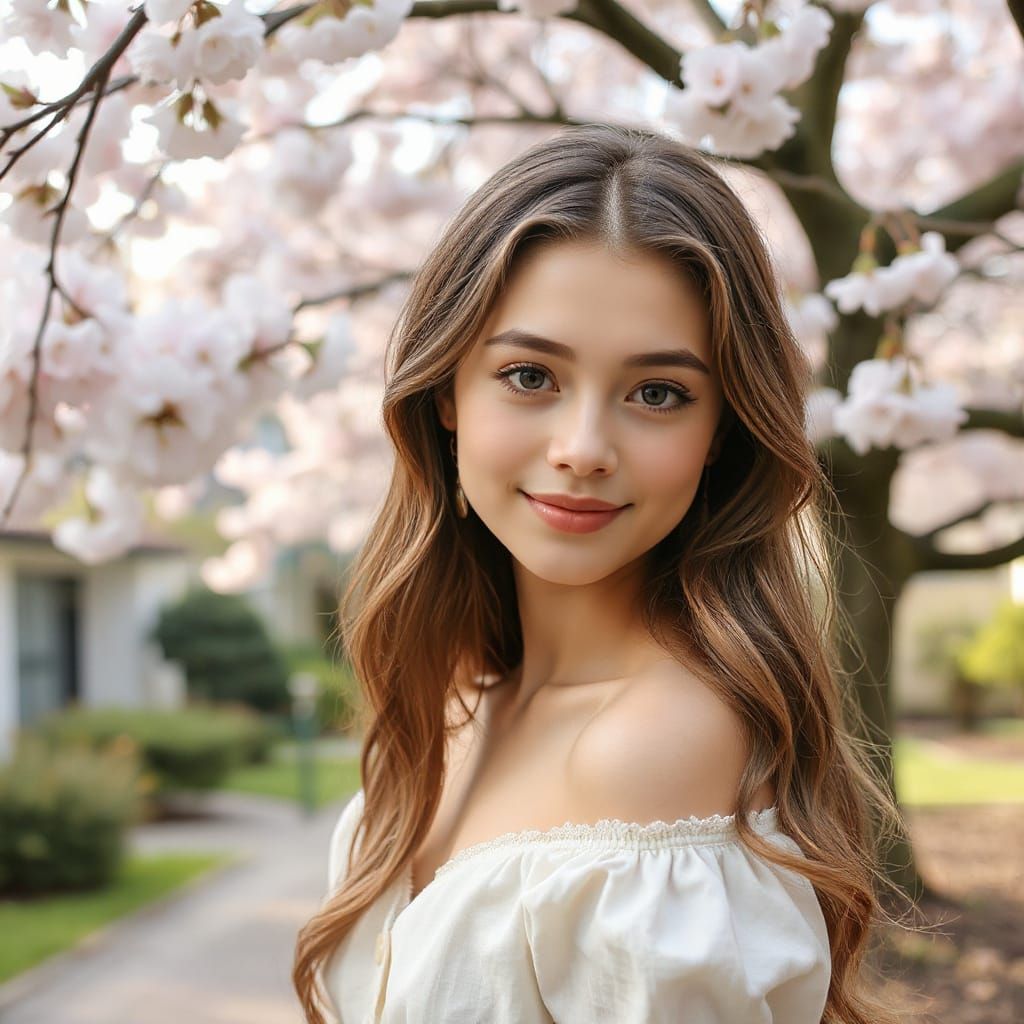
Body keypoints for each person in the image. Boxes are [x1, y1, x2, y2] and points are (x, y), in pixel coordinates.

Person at [293, 123, 905, 1024]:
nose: (583, 450)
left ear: (721, 432)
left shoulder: (653, 751)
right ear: (447, 394)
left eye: (657, 393)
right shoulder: (459, 701)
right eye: (530, 374)